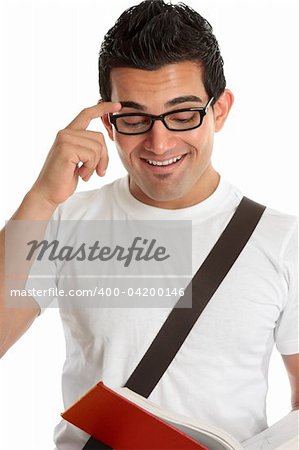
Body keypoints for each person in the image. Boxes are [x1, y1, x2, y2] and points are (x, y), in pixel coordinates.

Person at [0, 1, 298, 449]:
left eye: (182, 115)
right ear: (108, 123)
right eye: (136, 118)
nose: (160, 143)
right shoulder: (66, 222)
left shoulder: (283, 241)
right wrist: (41, 197)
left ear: (220, 110)